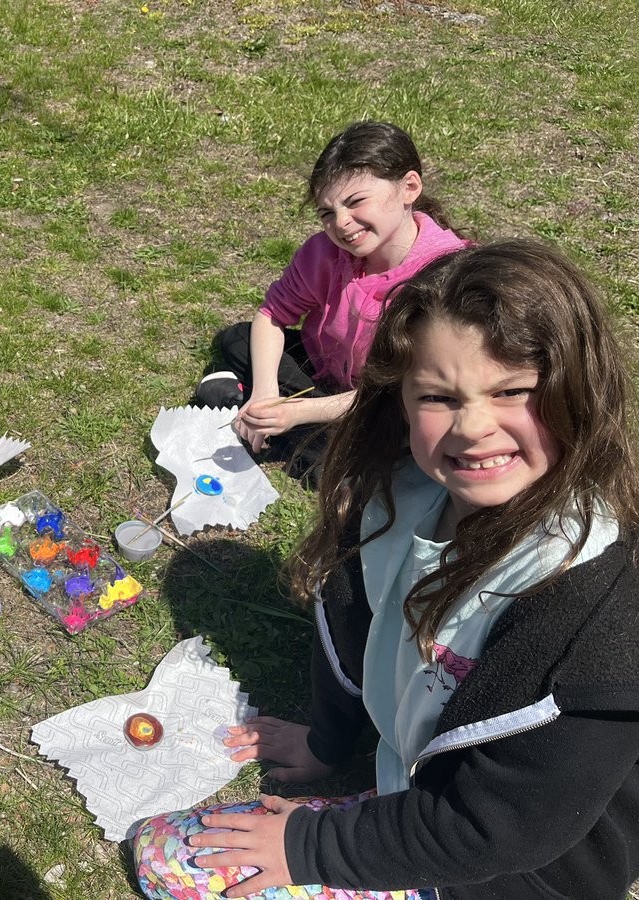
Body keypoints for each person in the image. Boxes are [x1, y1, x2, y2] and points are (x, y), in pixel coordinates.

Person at [135, 241, 639, 899]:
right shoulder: (397, 496)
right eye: (438, 397)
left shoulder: (595, 612)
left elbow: (498, 829)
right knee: (161, 848)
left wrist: (308, 847)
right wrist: (326, 741)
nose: (474, 428)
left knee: (170, 867)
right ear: (396, 400)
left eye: (512, 390)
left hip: (514, 875)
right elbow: (352, 631)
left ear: (580, 390)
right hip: (419, 791)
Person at [195, 121, 471, 484]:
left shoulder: (446, 277)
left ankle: (283, 433)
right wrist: (267, 395)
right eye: (327, 212)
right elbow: (272, 315)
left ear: (409, 188)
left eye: (356, 202)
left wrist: (299, 412)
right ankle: (262, 411)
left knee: (349, 462)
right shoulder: (324, 252)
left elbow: (402, 393)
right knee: (239, 339)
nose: (342, 223)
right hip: (326, 373)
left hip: (391, 403)